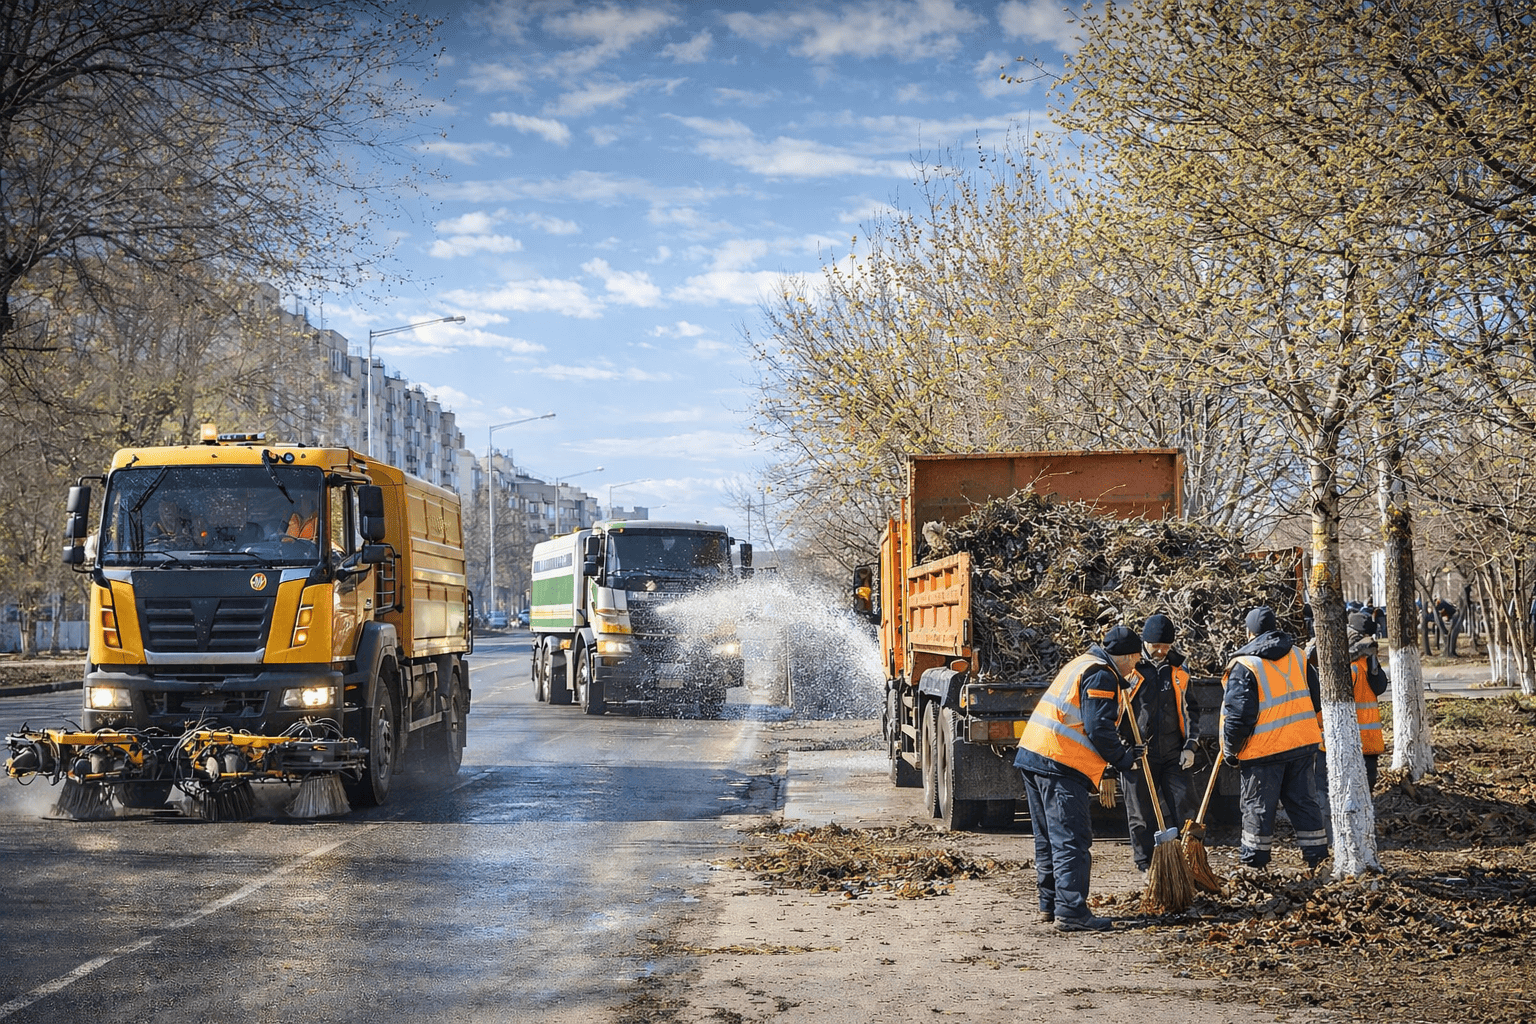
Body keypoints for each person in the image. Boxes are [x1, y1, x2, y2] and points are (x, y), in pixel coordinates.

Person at [1015, 625, 1145, 932]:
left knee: (1048, 838)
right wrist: (1124, 760)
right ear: (1125, 656)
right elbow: (1099, 727)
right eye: (1136, 659)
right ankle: (1071, 912)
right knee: (1071, 840)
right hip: (1059, 762)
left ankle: (1050, 905)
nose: (1136, 664)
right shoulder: (1101, 674)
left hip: (1036, 753)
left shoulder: (1082, 662)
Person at [1221, 606, 1328, 873]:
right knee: (1304, 803)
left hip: (1263, 752)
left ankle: (1255, 867)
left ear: (1249, 632)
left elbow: (1238, 716)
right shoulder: (1298, 655)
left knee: (1258, 808)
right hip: (1302, 745)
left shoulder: (1245, 665)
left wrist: (1231, 750)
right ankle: (1318, 859)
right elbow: (1316, 700)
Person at [1121, 614, 1200, 875]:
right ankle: (1145, 865)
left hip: (1173, 751)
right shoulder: (1130, 667)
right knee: (1140, 814)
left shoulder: (1178, 668)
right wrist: (1124, 747)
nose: (1161, 651)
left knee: (1185, 807)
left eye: (1166, 646)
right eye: (1156, 646)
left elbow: (1190, 709)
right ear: (1145, 642)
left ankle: (1189, 859)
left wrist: (1190, 745)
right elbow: (1116, 711)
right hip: (1139, 753)